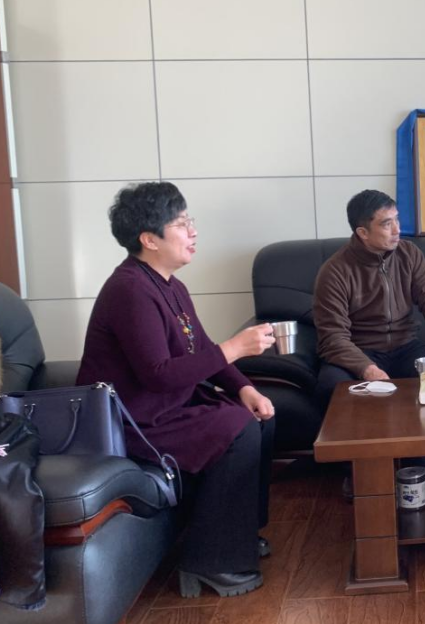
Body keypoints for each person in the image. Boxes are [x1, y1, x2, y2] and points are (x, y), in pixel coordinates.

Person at [78, 182, 277, 598]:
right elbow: (158, 374)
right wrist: (235, 348)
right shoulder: (129, 290)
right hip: (134, 421)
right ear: (149, 239)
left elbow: (202, 349)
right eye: (182, 224)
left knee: (258, 417)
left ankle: (238, 533)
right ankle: (211, 560)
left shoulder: (170, 285)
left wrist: (244, 388)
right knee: (237, 430)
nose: (193, 232)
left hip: (167, 408)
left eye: (190, 222)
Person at [313, 190, 425, 490]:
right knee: (333, 386)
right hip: (359, 351)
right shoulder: (335, 270)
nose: (397, 230)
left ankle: (419, 468)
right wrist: (368, 369)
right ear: (362, 232)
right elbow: (333, 336)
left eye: (396, 220)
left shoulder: (408, 254)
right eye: (386, 224)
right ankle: (356, 472)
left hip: (406, 345)